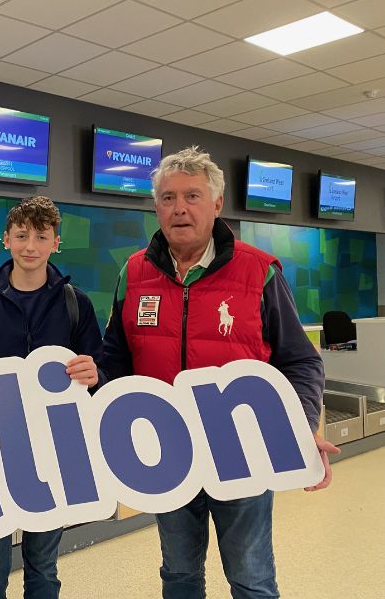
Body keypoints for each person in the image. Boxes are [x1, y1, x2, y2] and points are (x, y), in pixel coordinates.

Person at [99, 146, 340, 598]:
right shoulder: (133, 273)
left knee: (251, 578)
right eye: (168, 198)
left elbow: (301, 361)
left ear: (216, 204)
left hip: (243, 451)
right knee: (179, 574)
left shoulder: (259, 271)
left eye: (192, 196)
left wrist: (301, 428)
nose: (180, 208)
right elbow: (115, 360)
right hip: (167, 453)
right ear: (156, 207)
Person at [0, 195, 104, 599]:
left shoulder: (76, 303)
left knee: (43, 569)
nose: (30, 246)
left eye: (41, 236)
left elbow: (99, 371)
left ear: (56, 243)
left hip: (52, 449)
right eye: (21, 235)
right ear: (6, 240)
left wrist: (94, 374)